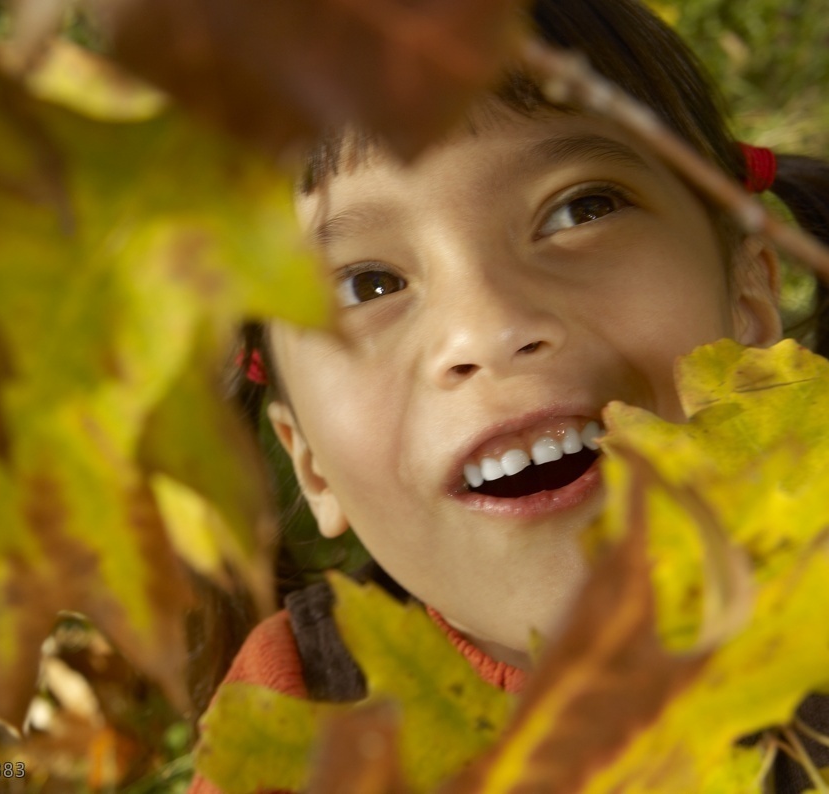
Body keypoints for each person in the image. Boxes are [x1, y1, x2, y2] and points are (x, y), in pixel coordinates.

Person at [187, 0, 829, 791]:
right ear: (309, 461)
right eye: (368, 283)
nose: (488, 327)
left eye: (579, 209)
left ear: (750, 303)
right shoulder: (299, 716)